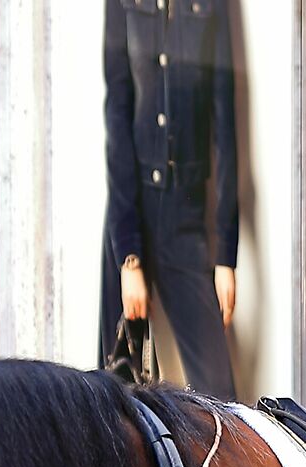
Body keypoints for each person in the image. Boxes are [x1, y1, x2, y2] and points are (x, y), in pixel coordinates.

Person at [101, 0, 241, 399]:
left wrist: (225, 255)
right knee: (112, 399)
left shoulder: (213, 6)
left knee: (222, 400)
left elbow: (224, 125)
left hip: (185, 216)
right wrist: (129, 257)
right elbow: (117, 117)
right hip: (131, 211)